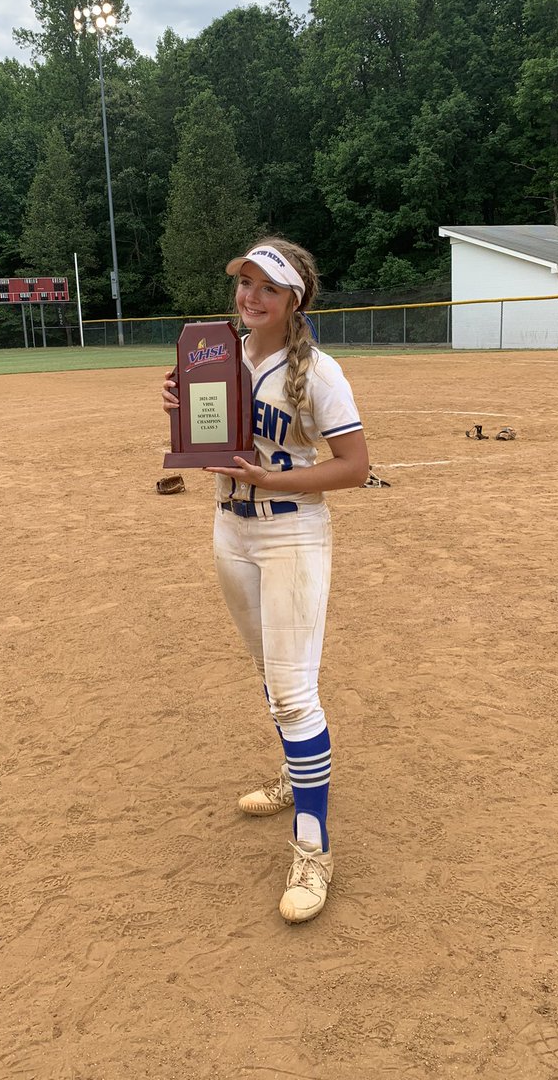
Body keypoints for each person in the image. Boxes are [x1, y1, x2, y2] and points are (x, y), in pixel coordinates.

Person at [161, 237, 369, 923]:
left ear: (293, 301)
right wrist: (178, 410)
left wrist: (273, 477)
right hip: (231, 529)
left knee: (293, 692)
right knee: (268, 673)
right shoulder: (215, 356)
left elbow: (354, 467)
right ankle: (293, 774)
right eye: (244, 283)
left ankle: (314, 848)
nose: (250, 297)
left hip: (291, 533)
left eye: (266, 288)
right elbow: (209, 446)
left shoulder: (319, 372)